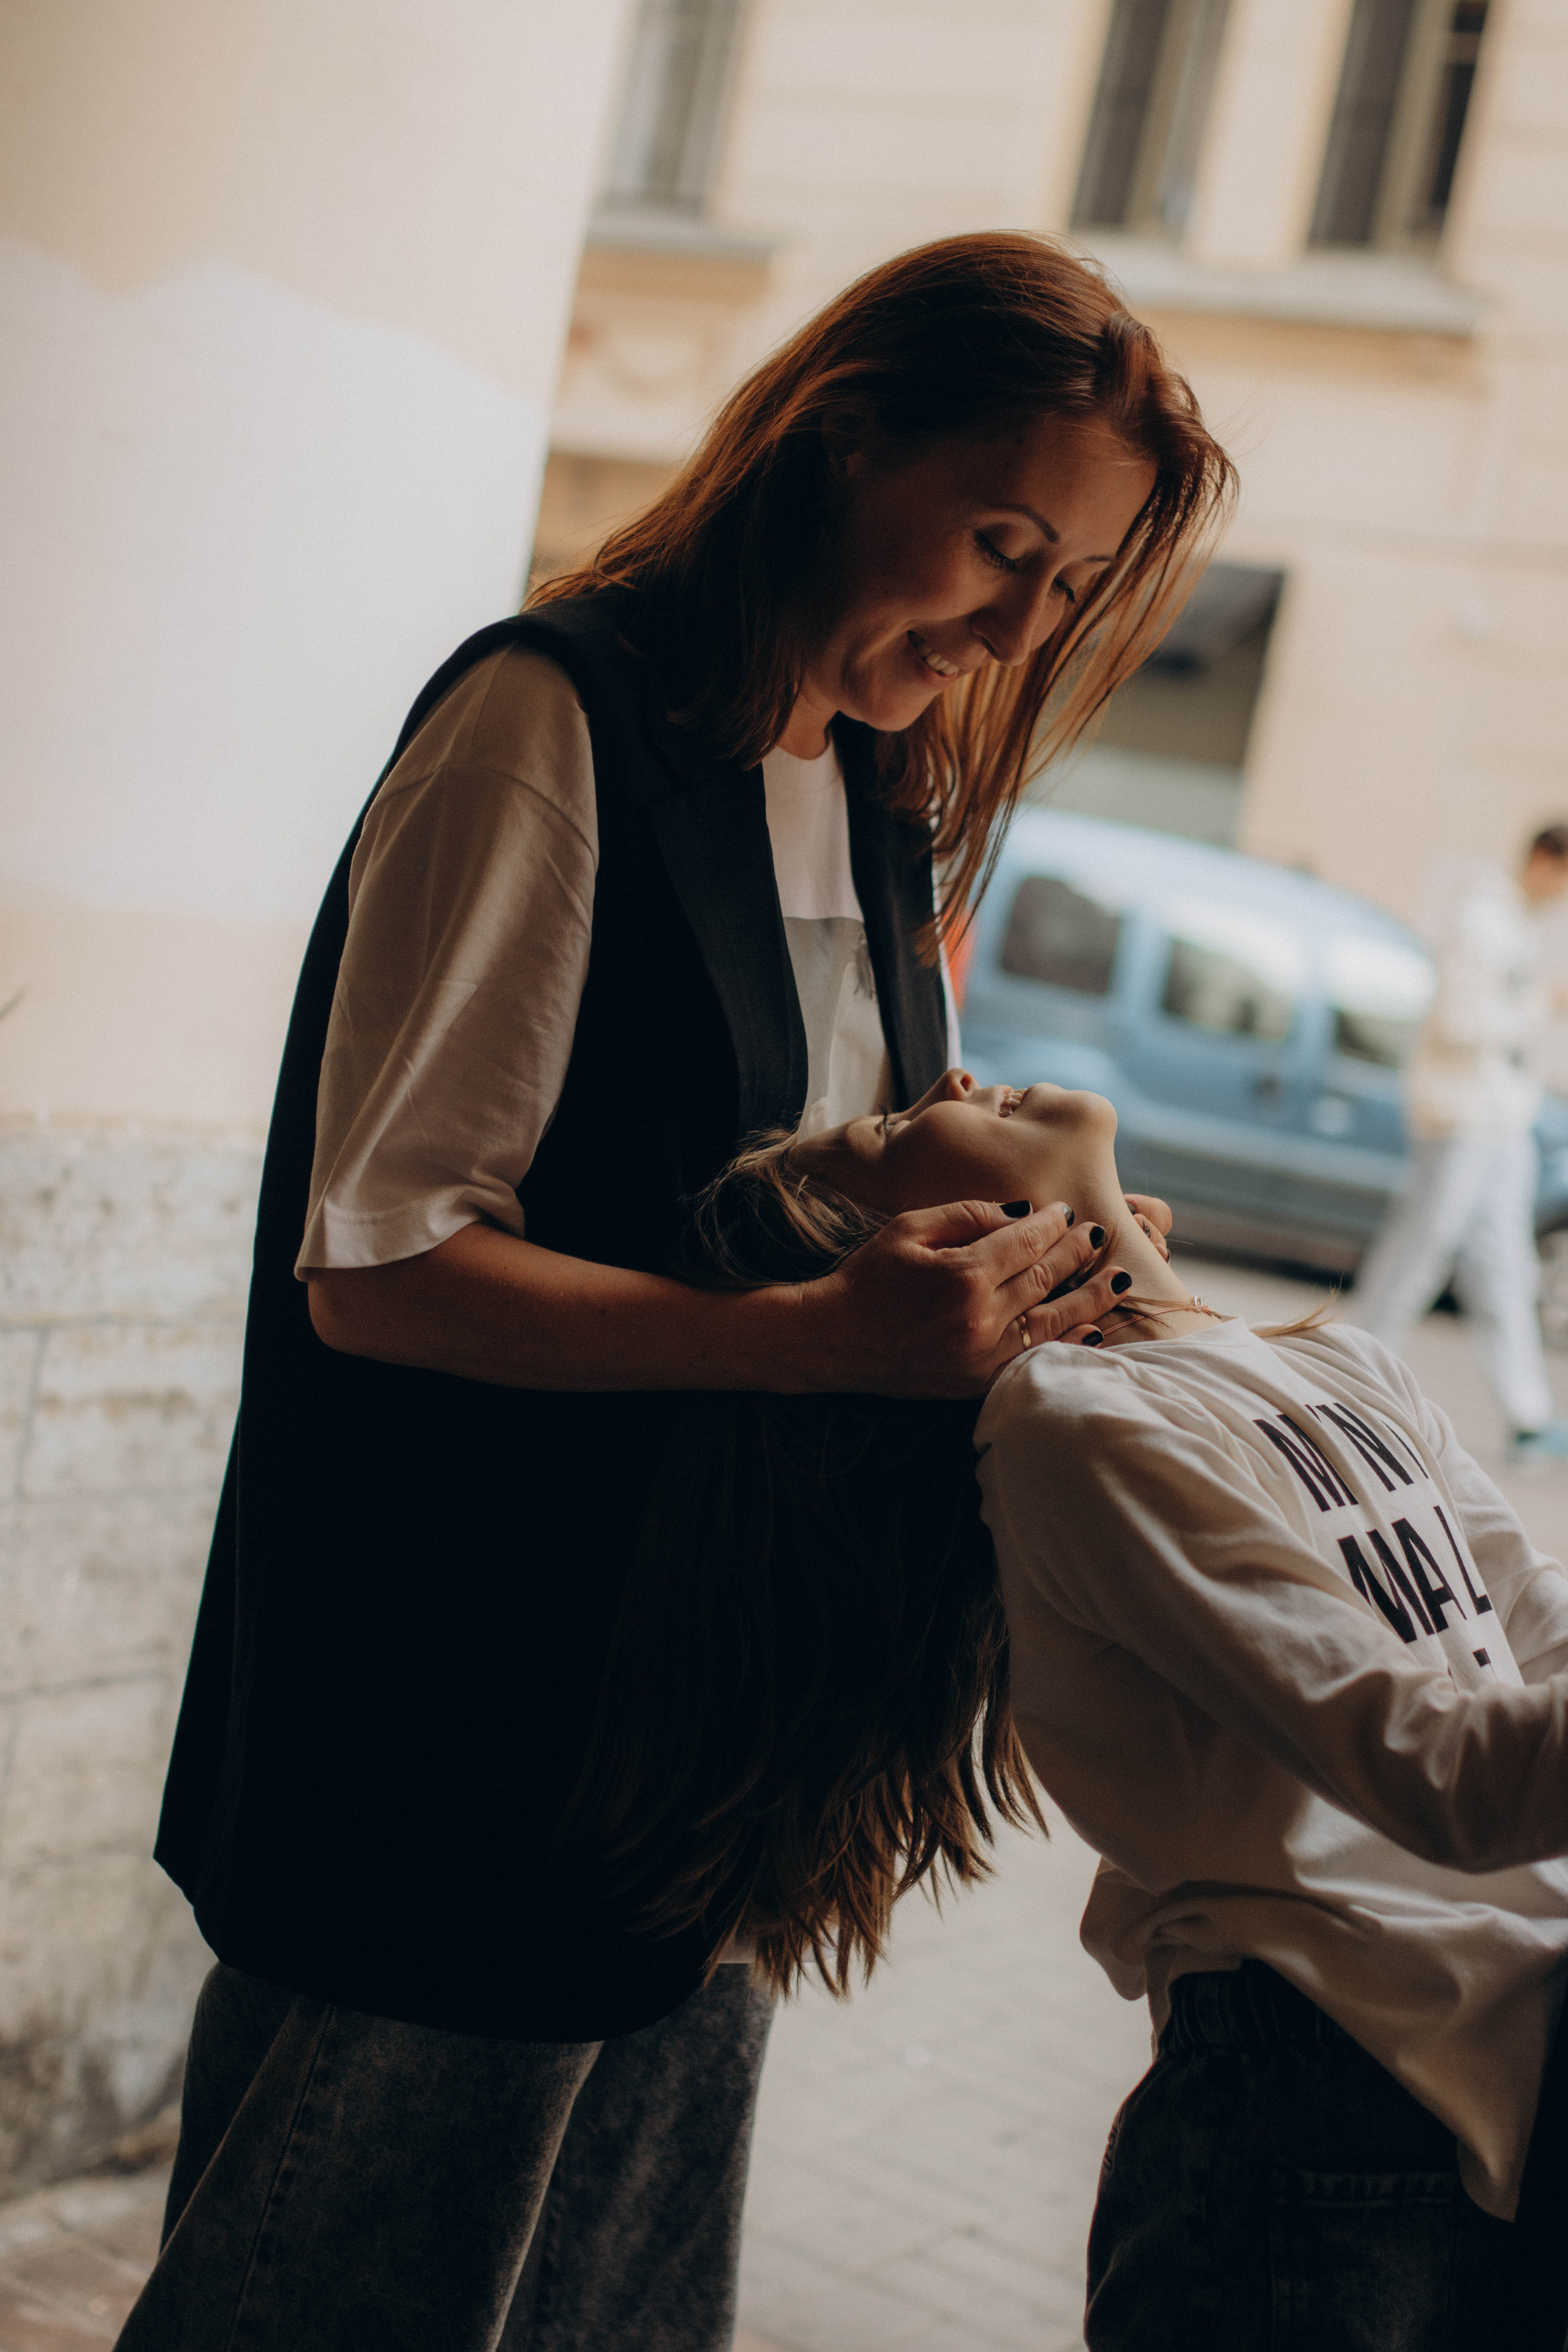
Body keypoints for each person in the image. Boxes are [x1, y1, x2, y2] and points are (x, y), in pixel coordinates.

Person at [117, 235, 1234, 2351]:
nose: (1014, 627)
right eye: (1001, 545)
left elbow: (777, 1182)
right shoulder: (551, 722)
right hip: (458, 1728)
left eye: (1065, 589)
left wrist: (1028, 1258)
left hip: (706, 1761)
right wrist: (812, 1342)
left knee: (608, 2318)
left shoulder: (876, 792)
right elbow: (380, 1266)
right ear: (837, 445)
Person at [587, 1069, 1568, 2348]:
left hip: (1496, 2074)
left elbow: (1531, 1648)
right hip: (1316, 2093)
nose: (946, 1076)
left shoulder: (1338, 1358)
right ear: (928, 1255)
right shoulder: (1075, 1421)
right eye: (894, 1128)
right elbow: (1448, 1776)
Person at [1354, 824, 1568, 1463]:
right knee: (1419, 1250)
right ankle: (1348, 1376)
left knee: (1505, 1269)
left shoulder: (1519, 925)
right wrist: (1539, 1007)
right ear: (1542, 861)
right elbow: (1460, 1021)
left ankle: (1529, 1417)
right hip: (1461, 1117)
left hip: (1501, 1118)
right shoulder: (1482, 921)